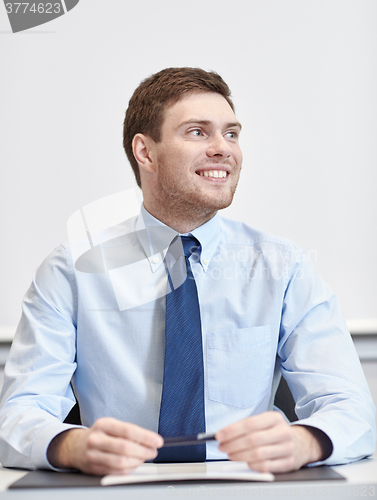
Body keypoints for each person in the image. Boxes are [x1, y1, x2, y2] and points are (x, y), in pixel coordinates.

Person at [0, 68, 375, 476]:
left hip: (249, 487)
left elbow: (351, 408)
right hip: (117, 487)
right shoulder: (71, 271)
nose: (223, 149)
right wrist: (71, 445)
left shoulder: (284, 268)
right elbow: (18, 415)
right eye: (198, 132)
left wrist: (305, 440)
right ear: (145, 152)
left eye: (231, 134)